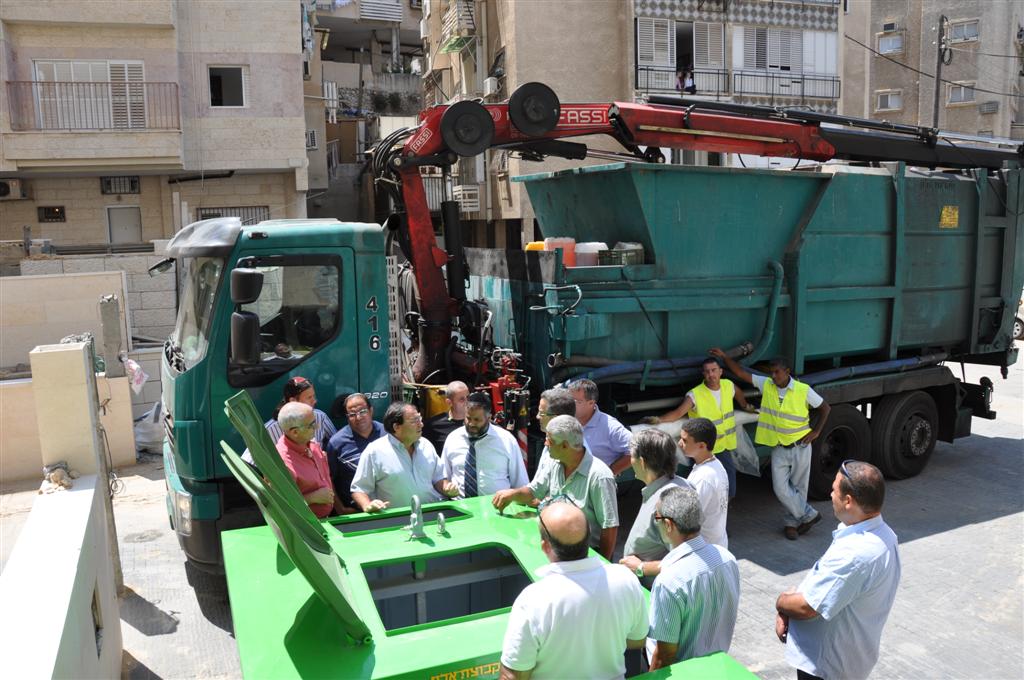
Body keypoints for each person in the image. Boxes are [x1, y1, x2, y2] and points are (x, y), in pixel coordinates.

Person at [775, 461, 900, 680]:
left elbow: (807, 608)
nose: (831, 495)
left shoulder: (856, 553)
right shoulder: (883, 534)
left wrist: (782, 603)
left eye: (834, 490)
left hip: (826, 668)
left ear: (849, 501)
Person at [500, 501, 648, 680]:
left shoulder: (532, 600)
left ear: (546, 547)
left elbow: (512, 675)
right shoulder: (626, 579)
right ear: (587, 538)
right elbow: (638, 639)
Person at [711, 349, 831, 540]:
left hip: (800, 446)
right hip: (779, 446)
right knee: (780, 489)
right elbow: (742, 373)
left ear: (787, 371)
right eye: (771, 372)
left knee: (799, 488)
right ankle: (809, 515)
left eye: (777, 372)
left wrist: (816, 432)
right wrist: (725, 358)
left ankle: (792, 524)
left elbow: (825, 408)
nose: (773, 376)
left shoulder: (802, 390)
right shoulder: (766, 384)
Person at [492, 415, 619, 560]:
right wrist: (512, 494)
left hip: (587, 554)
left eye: (550, 440)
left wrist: (604, 564)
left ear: (565, 446)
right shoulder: (555, 463)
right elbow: (533, 492)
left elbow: (609, 527)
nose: (545, 443)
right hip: (556, 549)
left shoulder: (600, 476)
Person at [647, 485, 740, 669]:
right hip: (717, 668)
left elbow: (665, 655)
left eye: (657, 518)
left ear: (668, 525)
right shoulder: (728, 559)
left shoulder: (669, 582)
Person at [649, 356, 753, 498]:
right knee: (702, 481)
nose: (711, 374)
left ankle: (722, 505)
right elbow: (678, 413)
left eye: (713, 370)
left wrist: (745, 405)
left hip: (723, 446)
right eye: (707, 372)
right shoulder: (695, 395)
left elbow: (739, 393)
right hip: (702, 448)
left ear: (720, 371)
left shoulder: (728, 385)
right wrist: (657, 420)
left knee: (727, 480)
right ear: (703, 374)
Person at [350, 401, 459, 512]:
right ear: (397, 427)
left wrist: (447, 488)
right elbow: (359, 489)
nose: (421, 424)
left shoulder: (426, 445)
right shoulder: (374, 452)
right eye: (414, 421)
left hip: (433, 514)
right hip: (396, 521)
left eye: (419, 419)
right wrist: (367, 505)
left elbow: (438, 478)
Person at [618, 429, 691, 587]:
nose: (630, 461)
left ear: (642, 462)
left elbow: (685, 559)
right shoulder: (675, 485)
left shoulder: (669, 500)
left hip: (657, 591)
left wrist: (640, 568)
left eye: (632, 456)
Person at [441, 392, 529, 498]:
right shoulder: (453, 439)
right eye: (468, 418)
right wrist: (447, 488)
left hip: (496, 508)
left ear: (489, 418)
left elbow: (520, 482)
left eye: (477, 420)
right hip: (461, 508)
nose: (471, 424)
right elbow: (443, 476)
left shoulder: (506, 441)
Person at [274, 402, 344, 518]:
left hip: (325, 520)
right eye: (311, 425)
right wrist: (312, 498)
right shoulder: (282, 462)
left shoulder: (311, 444)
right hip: (304, 528)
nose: (317, 427)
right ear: (295, 432)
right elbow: (280, 504)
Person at [325, 393, 385, 508]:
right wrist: (340, 509)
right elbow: (329, 479)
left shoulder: (387, 434)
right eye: (352, 414)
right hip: (355, 510)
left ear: (371, 411)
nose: (358, 417)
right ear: (347, 417)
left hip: (387, 505)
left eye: (363, 412)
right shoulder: (336, 443)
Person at [680, 417, 730, 548]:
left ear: (702, 445)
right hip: (716, 545)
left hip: (704, 551)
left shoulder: (703, 478)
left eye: (685, 441)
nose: (680, 443)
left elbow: (689, 519)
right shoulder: (716, 465)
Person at [568, 379, 633, 475]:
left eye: (576, 401)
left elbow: (636, 450)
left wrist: (609, 472)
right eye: (569, 400)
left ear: (591, 403)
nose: (570, 405)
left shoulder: (610, 426)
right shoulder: (567, 420)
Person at [264, 376, 336, 449]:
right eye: (309, 397)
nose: (314, 401)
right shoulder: (270, 429)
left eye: (313, 396)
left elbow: (337, 444)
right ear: (293, 401)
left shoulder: (320, 417)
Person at [422, 381, 469, 455]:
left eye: (468, 397)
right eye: (461, 399)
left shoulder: (479, 422)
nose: (467, 402)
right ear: (449, 402)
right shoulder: (432, 426)